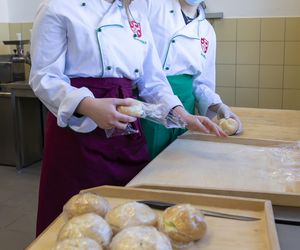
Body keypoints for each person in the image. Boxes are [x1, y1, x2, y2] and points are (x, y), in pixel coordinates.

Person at [30, 0, 226, 235]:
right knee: (78, 221)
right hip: (78, 131)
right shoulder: (58, 7)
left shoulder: (135, 14)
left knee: (129, 217)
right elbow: (44, 77)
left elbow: (152, 81)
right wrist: (88, 105)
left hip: (127, 132)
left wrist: (182, 115)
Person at [133, 0, 243, 159]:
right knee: (145, 166)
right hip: (148, 103)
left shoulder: (206, 30)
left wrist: (218, 106)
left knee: (178, 163)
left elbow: (201, 83)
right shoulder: (150, 5)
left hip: (187, 108)